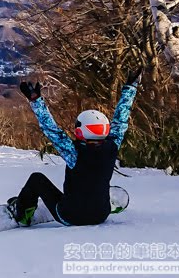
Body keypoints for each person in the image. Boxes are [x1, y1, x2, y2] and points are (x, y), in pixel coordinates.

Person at [8, 70, 142, 227]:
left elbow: (51, 129)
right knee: (94, 182)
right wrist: (131, 88)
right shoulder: (112, 146)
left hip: (70, 215)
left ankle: (22, 213)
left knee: (37, 179)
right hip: (101, 215)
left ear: (80, 131)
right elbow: (121, 120)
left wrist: (36, 101)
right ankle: (93, 202)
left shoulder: (74, 153)